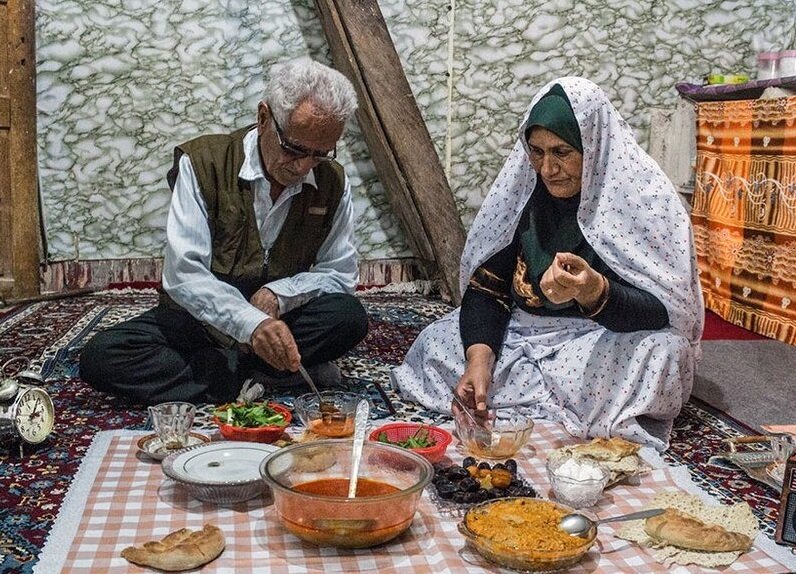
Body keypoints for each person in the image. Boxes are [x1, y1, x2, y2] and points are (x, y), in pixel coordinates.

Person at [391, 77, 703, 451]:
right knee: (435, 341)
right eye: (536, 152)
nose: (548, 168)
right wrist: (479, 359)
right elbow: (486, 290)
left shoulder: (643, 201)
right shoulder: (525, 194)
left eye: (562, 152)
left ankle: (531, 398)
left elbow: (660, 313)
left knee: (663, 355)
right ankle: (560, 403)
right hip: (524, 333)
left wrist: (594, 291)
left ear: (594, 147)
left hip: (598, 342)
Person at [80, 59, 369, 405]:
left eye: (320, 153)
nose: (305, 165)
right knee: (102, 357)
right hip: (199, 321)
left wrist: (278, 295)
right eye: (294, 148)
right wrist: (249, 323)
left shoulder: (332, 181)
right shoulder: (203, 163)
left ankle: (230, 375)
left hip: (277, 317)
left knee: (348, 317)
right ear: (264, 118)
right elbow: (185, 275)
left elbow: (339, 273)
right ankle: (260, 374)